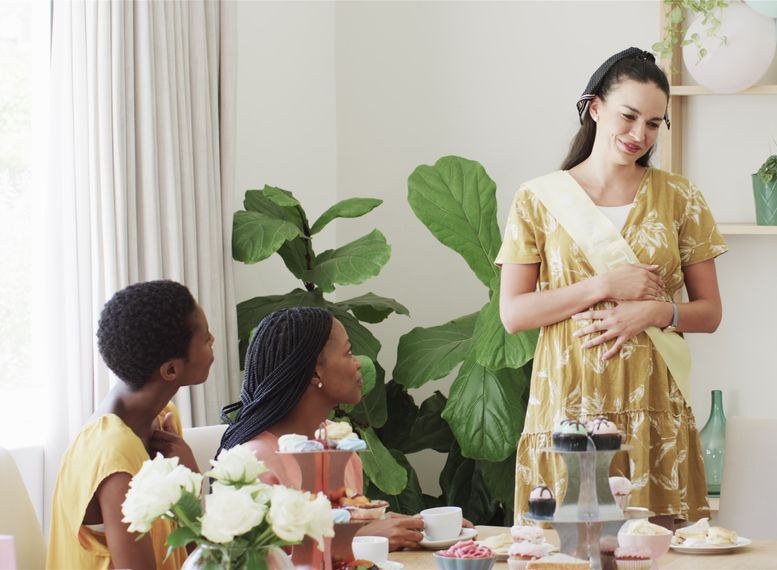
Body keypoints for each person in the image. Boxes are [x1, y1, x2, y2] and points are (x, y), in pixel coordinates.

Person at [497, 47, 727, 528]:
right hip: (568, 402)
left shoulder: (680, 197)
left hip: (654, 406)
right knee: (564, 554)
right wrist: (603, 284)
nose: (639, 134)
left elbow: (709, 313)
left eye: (653, 123)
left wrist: (653, 312)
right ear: (595, 107)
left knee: (659, 552)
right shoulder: (538, 199)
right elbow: (515, 314)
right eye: (629, 115)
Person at [218, 307, 469, 551]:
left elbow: (343, 527)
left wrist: (415, 527)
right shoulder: (253, 463)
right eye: (349, 353)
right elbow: (266, 557)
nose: (359, 363)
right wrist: (360, 536)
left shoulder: (340, 445)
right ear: (316, 373)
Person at [47, 280, 215, 569]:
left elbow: (196, 554)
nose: (213, 339)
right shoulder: (114, 456)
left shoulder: (161, 419)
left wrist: (190, 484)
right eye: (204, 338)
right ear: (171, 369)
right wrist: (193, 487)